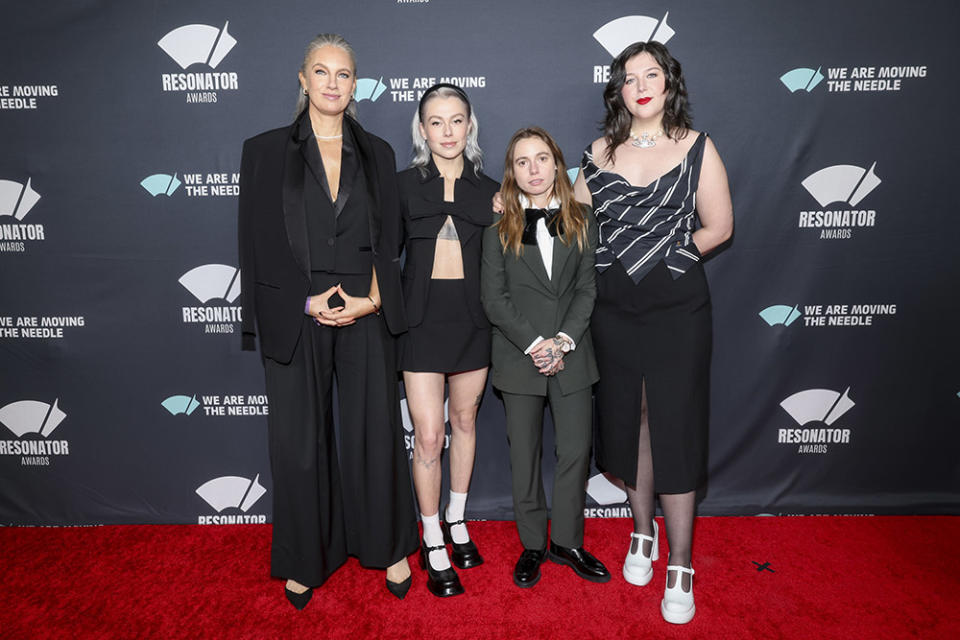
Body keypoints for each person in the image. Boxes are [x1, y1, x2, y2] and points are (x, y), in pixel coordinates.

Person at [237, 33, 418, 609]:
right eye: (322, 72)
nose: (333, 83)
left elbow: (391, 241)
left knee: (374, 434)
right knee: (299, 443)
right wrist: (301, 303)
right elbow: (255, 243)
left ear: (355, 84)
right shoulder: (264, 150)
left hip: (364, 309)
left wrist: (373, 300)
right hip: (300, 310)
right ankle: (302, 559)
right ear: (303, 79)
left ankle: (388, 545)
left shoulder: (380, 153)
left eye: (344, 74)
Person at [573, 41, 734, 624]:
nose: (640, 85)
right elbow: (572, 224)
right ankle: (642, 533)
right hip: (613, 310)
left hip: (677, 309)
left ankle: (681, 563)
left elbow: (720, 226)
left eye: (652, 74)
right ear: (617, 89)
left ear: (669, 84)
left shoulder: (697, 147)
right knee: (628, 419)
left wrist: (670, 259)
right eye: (629, 77)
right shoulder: (597, 151)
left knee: (676, 425)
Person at [481, 126, 609, 589]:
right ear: (511, 174)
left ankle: (568, 542)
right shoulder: (498, 229)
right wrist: (538, 346)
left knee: (575, 452)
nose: (533, 169)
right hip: (520, 358)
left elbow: (586, 288)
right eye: (521, 162)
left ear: (557, 163)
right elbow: (495, 300)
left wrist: (564, 341)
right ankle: (533, 544)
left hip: (573, 355)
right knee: (526, 457)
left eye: (541, 158)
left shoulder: (584, 220)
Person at [397, 84, 499, 597]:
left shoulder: (493, 192)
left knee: (464, 422)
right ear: (421, 129)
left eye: (457, 121)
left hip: (472, 323)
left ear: (470, 124)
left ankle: (458, 520)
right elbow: (379, 259)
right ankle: (431, 534)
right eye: (436, 122)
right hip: (419, 326)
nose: (447, 132)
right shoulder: (401, 187)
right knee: (430, 436)